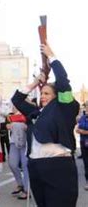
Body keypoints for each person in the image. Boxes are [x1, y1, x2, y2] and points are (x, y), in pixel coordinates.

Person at [11, 43, 79, 207]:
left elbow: (63, 82)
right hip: (36, 167)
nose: (42, 97)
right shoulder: (36, 112)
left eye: (47, 93)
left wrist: (52, 56)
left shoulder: (64, 108)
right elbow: (17, 100)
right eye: (41, 93)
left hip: (58, 168)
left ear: (58, 96)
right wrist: (35, 82)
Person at [7, 109, 29, 199]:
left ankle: (27, 190)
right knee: (12, 164)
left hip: (26, 142)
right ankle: (20, 184)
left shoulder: (29, 112)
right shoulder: (11, 115)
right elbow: (7, 125)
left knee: (25, 165)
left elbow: (31, 125)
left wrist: (17, 125)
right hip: (14, 142)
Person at [76, 102, 88, 190]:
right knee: (86, 163)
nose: (86, 108)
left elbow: (81, 129)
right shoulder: (83, 117)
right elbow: (77, 128)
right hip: (84, 142)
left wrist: (85, 132)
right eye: (86, 107)